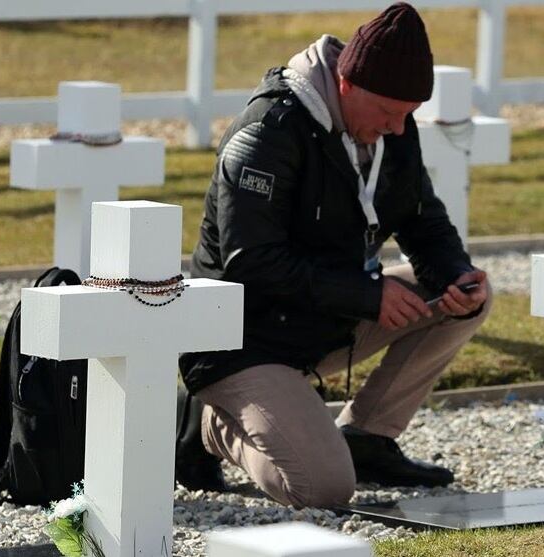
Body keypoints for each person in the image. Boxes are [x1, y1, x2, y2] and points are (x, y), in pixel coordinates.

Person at [179, 2, 492, 508]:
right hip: (241, 340)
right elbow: (250, 262)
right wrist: (368, 295)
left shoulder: (392, 124)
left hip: (325, 318)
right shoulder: (267, 132)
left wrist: (454, 276)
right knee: (321, 488)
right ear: (347, 84)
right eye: (389, 114)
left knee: (473, 293)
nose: (397, 128)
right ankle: (211, 425)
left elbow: (421, 216)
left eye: (406, 116)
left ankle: (366, 437)